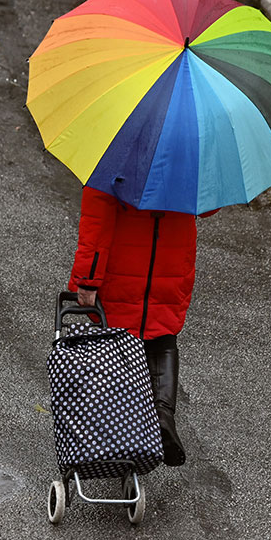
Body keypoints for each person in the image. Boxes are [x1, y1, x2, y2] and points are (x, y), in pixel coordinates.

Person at [69, 186, 217, 466]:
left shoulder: (113, 154)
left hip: (122, 266)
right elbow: (208, 206)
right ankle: (162, 414)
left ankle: (120, 429)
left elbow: (97, 223)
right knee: (163, 337)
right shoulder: (188, 150)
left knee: (117, 343)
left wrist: (88, 279)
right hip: (172, 264)